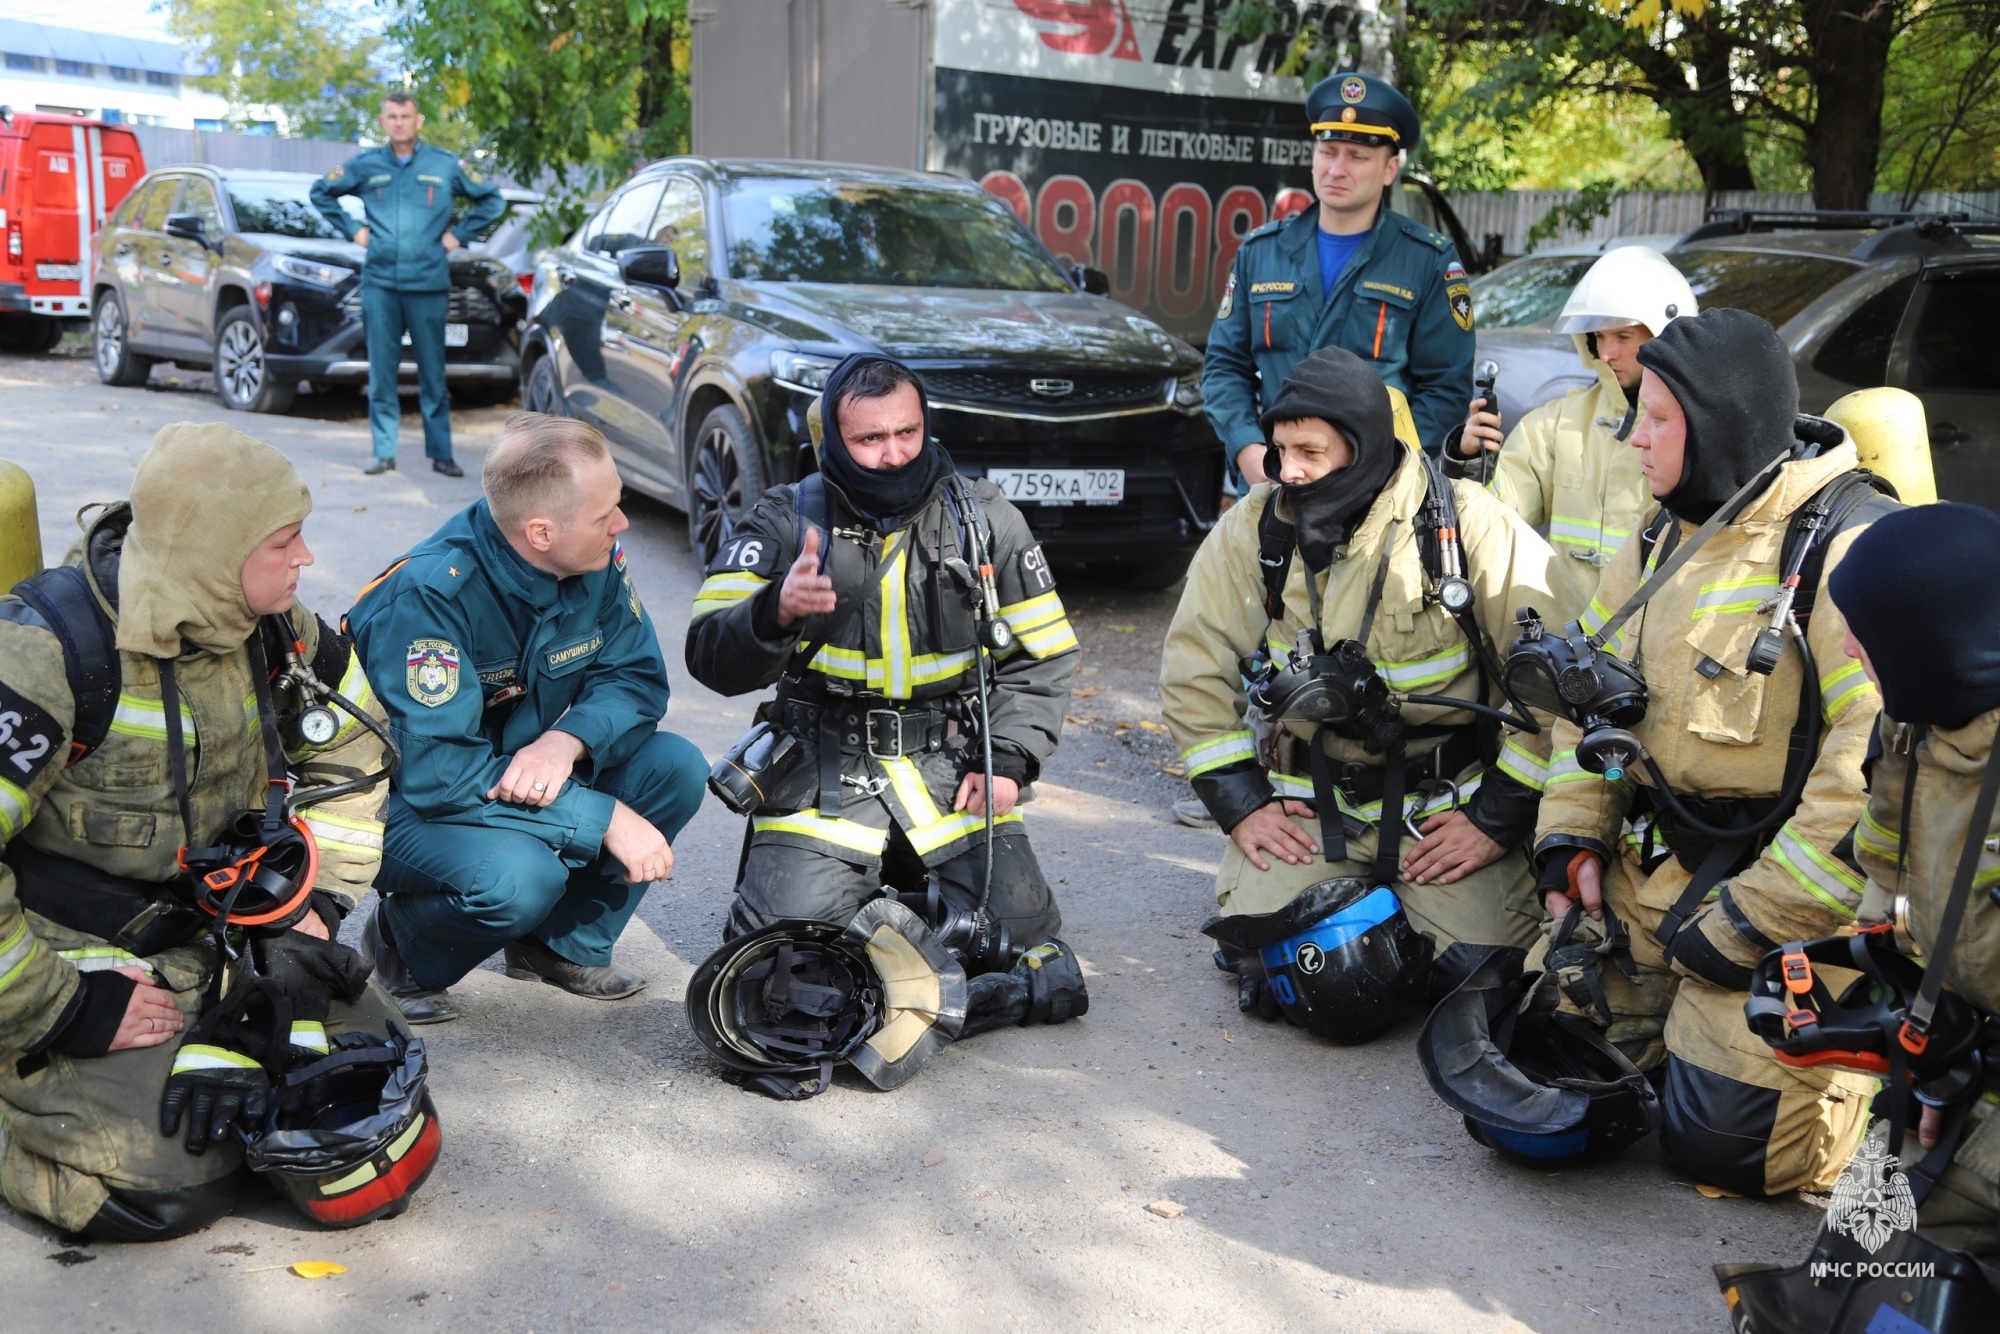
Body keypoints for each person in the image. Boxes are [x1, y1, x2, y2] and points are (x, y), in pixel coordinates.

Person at [0, 423, 409, 1241]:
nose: (306, 559)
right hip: (68, 955)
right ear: (213, 551)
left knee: (369, 1115)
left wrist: (313, 912)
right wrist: (64, 1008)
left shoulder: (278, 627)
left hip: (224, 936)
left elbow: (356, 757)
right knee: (169, 1187)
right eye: (284, 542)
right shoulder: (47, 653)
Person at [1531, 308, 1891, 1197]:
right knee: (1544, 1052)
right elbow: (1587, 691)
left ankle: (1848, 1096)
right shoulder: (1662, 532)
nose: (1634, 441)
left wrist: (1752, 925)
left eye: (1657, 421)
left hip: (1791, 904)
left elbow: (1870, 777)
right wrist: (1572, 838)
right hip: (1660, 876)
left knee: (1724, 1147)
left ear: (1723, 423)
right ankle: (1676, 1035)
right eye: (1634, 414)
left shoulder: (1843, 549)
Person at [684, 354, 1088, 1034]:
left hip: (946, 771)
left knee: (1021, 937)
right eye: (870, 439)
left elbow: (1043, 655)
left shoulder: (983, 518)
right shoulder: (785, 519)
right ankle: (875, 911)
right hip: (823, 774)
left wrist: (1009, 760)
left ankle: (896, 907)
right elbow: (707, 654)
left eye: (907, 432)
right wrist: (773, 613)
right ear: (833, 440)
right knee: (781, 962)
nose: (894, 453)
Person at [1161, 346, 1557, 1018]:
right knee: (1300, 965)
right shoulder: (1259, 525)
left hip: (1441, 812)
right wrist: (1244, 803)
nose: (1289, 471)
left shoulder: (1462, 522)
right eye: (1281, 449)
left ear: (1363, 445)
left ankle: (1434, 914)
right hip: (1313, 809)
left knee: (1480, 978)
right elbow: (1193, 664)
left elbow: (1555, 676)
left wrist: (1495, 818)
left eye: (1310, 452)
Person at [345, 412, 707, 1024]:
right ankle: (402, 950)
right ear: (541, 532)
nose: (622, 524)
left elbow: (635, 677)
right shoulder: (432, 597)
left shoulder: (590, 562)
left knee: (674, 767)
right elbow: (438, 774)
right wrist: (604, 816)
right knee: (518, 876)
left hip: (502, 773)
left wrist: (565, 741)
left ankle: (557, 946)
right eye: (605, 515)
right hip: (405, 801)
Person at [1203, 71, 1474, 485]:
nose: (1336, 169)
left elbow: (1445, 390)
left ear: (1390, 169)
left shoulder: (1428, 261)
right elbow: (1223, 367)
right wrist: (1249, 452)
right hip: (1271, 485)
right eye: (1327, 151)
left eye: (1357, 157)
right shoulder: (1261, 252)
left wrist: (1381, 469)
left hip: (1375, 496)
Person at [1445, 245, 1697, 625]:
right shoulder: (1556, 423)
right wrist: (1470, 461)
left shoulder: (1696, 429)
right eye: (1599, 336)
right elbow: (1490, 522)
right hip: (1566, 642)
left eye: (1624, 337)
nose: (1607, 352)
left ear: (1667, 334)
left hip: (1655, 640)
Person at [310, 90, 505, 479]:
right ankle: (383, 452)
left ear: (418, 121)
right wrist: (354, 230)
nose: (399, 122)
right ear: (383, 122)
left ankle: (441, 453)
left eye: (406, 115)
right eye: (392, 116)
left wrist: (458, 236)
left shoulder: (444, 165)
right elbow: (321, 192)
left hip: (428, 282)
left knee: (433, 372)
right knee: (382, 370)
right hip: (381, 282)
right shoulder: (366, 165)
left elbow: (493, 201)